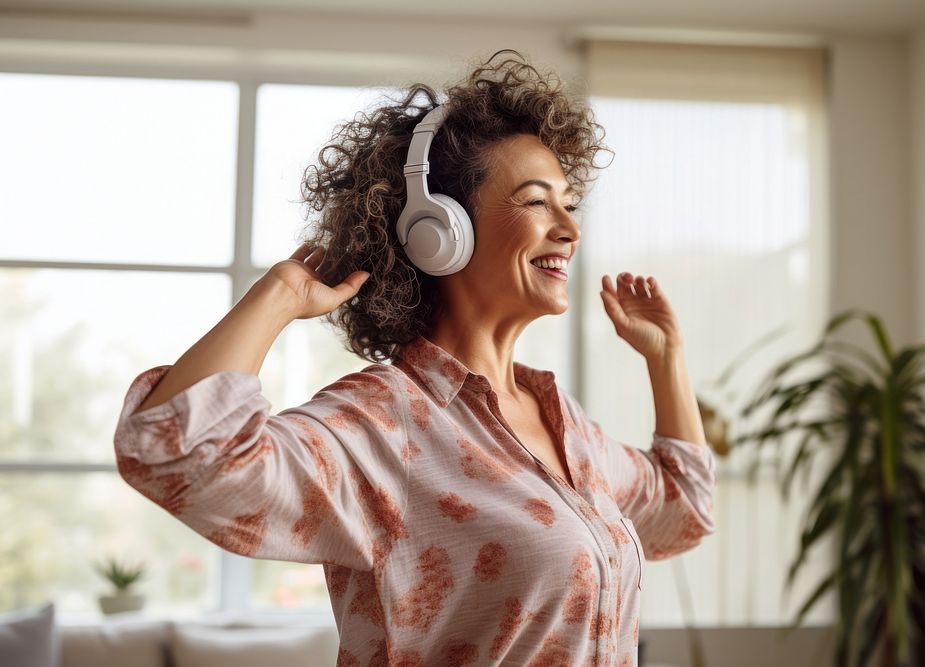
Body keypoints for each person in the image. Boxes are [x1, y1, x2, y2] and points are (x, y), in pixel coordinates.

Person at [114, 48, 716, 666]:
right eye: (537, 202)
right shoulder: (386, 423)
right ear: (440, 229)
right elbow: (177, 455)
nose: (570, 228)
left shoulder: (564, 423)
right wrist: (278, 297)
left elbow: (682, 510)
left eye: (569, 203)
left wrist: (666, 360)